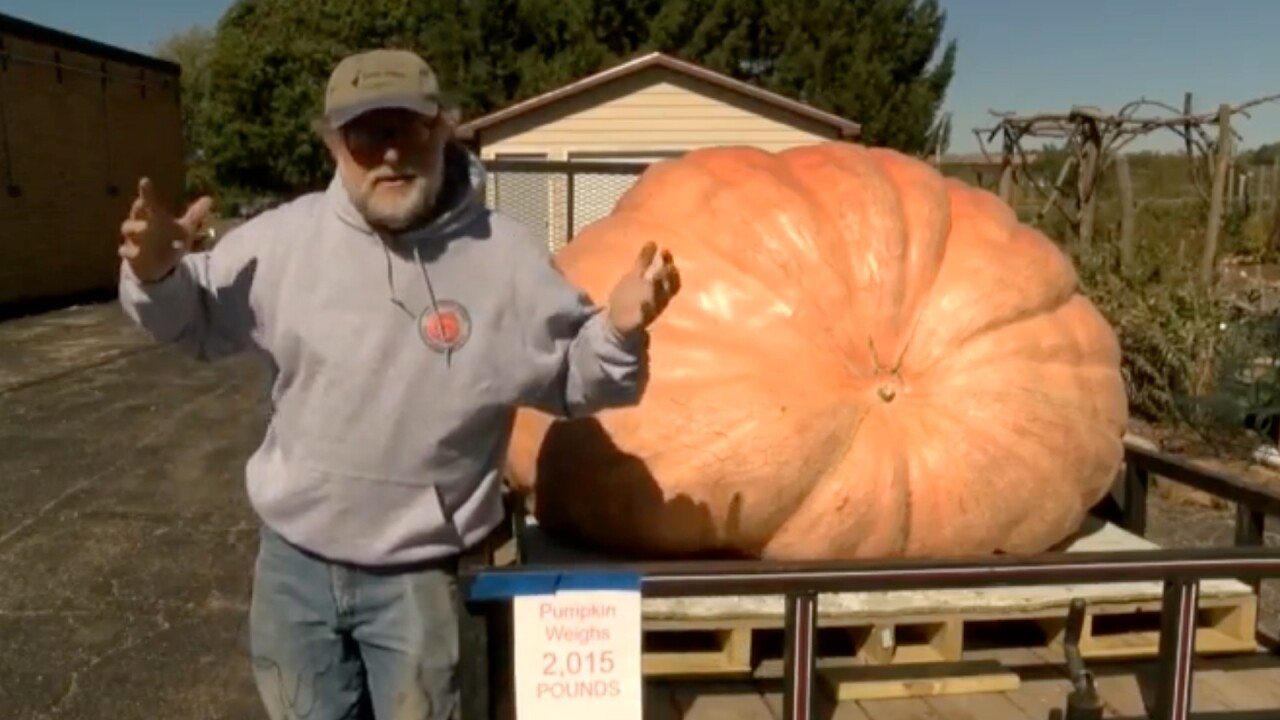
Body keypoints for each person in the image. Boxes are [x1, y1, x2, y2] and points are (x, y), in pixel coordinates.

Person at [116, 48, 680, 720]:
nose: (389, 155)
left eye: (406, 129)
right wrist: (154, 275)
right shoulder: (279, 244)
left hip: (424, 577)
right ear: (333, 144)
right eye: (365, 134)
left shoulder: (505, 258)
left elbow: (574, 379)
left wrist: (617, 332)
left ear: (443, 128)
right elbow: (195, 322)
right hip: (293, 571)